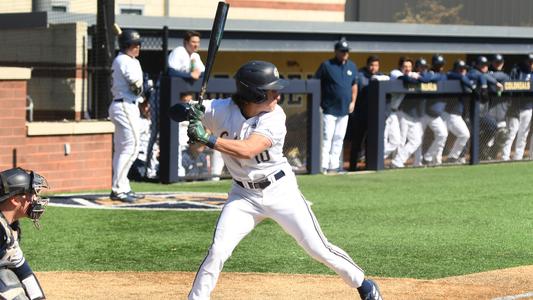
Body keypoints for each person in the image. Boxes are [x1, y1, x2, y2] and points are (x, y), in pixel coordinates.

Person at [171, 60, 383, 300]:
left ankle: (363, 284)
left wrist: (208, 139)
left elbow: (248, 149)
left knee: (317, 247)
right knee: (217, 250)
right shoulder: (220, 108)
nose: (278, 95)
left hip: (280, 191)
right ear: (255, 93)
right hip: (244, 196)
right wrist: (190, 111)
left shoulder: (274, 117)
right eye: (272, 90)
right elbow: (174, 111)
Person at [108, 29, 146, 202]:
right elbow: (135, 86)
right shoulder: (123, 60)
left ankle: (123, 186)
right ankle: (118, 189)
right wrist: (145, 89)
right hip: (124, 105)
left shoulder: (130, 60)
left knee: (123, 149)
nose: (137, 47)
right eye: (134, 44)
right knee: (132, 146)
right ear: (126, 45)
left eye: (138, 44)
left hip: (128, 105)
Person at [0, 167, 49, 300]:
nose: (35, 198)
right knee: (6, 280)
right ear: (15, 200)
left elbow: (23, 271)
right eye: (31, 193)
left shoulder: (9, 227)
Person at [315, 38, 358, 173]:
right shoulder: (327, 65)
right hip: (329, 108)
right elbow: (316, 83)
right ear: (336, 51)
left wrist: (353, 102)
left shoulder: (352, 66)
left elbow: (354, 85)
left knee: (339, 138)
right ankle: (323, 165)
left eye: (346, 51)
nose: (345, 53)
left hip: (344, 109)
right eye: (342, 51)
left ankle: (334, 166)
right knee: (327, 138)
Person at [349, 55, 389, 170]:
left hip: (374, 116)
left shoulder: (381, 76)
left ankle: (368, 166)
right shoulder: (360, 75)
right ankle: (352, 167)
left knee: (370, 142)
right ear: (367, 65)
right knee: (357, 142)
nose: (373, 68)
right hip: (360, 114)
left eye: (376, 65)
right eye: (371, 65)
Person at [391, 58, 425, 168]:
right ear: (400, 67)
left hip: (400, 111)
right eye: (405, 66)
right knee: (398, 141)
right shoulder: (395, 73)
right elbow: (406, 79)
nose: (407, 69)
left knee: (416, 140)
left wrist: (418, 77)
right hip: (390, 111)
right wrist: (417, 78)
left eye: (409, 67)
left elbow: (425, 79)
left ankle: (397, 161)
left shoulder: (411, 74)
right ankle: (394, 162)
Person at [502, 54, 533, 160]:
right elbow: (510, 85)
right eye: (529, 61)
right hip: (515, 107)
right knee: (511, 132)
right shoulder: (517, 71)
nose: (531, 64)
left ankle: (518, 157)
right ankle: (504, 156)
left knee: (523, 133)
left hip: (528, 107)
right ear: (525, 61)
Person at [444, 59, 473, 163]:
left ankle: (452, 157)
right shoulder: (451, 75)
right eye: (460, 69)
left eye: (464, 69)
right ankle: (447, 157)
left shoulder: (464, 78)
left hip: (455, 113)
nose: (463, 71)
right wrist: (471, 85)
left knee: (463, 135)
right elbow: (456, 75)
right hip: (449, 113)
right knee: (463, 134)